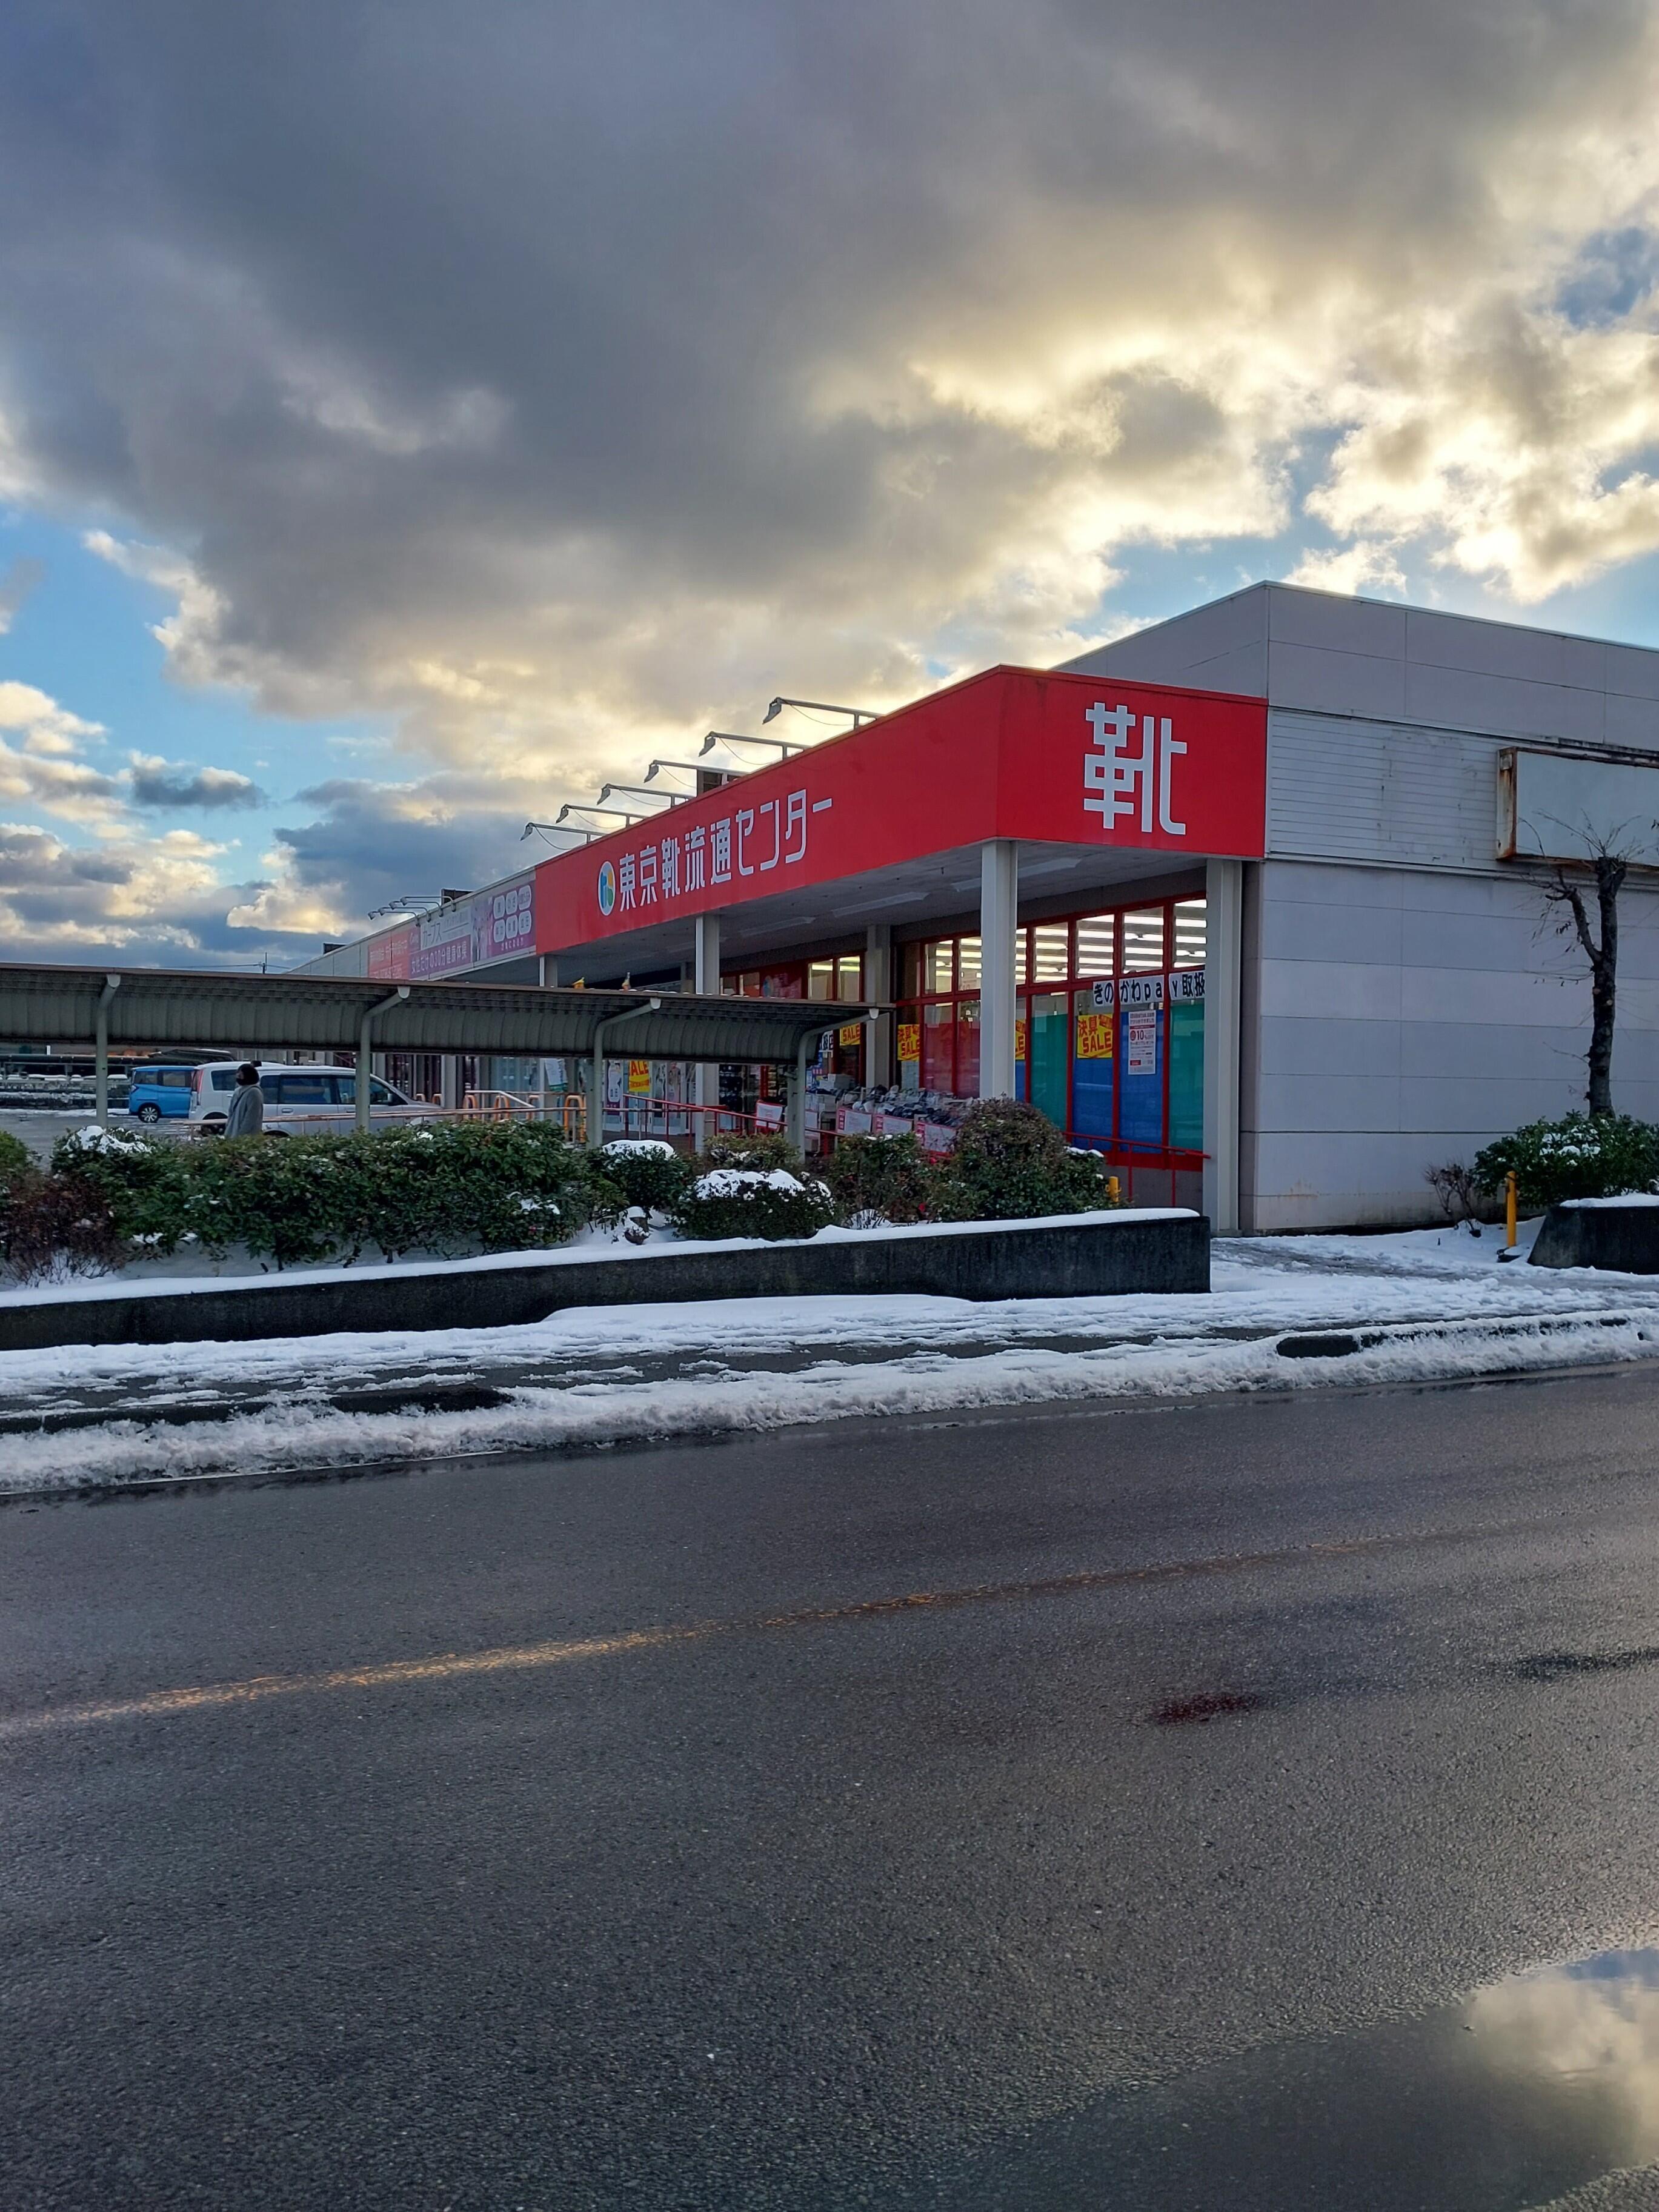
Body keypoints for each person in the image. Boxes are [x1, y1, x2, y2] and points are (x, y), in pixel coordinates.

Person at [223, 1061, 264, 1138]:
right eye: (238, 1075)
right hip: (233, 1132)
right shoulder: (237, 1091)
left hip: (247, 1137)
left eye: (240, 1075)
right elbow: (231, 1112)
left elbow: (251, 1117)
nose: (238, 1077)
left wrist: (241, 1134)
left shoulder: (254, 1092)